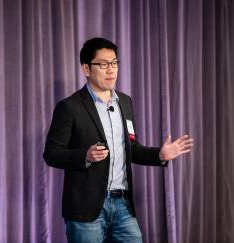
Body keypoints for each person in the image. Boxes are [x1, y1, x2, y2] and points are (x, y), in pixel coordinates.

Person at [43, 37, 193, 243]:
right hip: (86, 209)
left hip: (123, 204)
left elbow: (131, 147)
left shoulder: (124, 101)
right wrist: (84, 156)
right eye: (103, 64)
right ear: (86, 69)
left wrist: (159, 155)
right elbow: (51, 154)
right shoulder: (69, 107)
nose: (111, 70)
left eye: (114, 63)